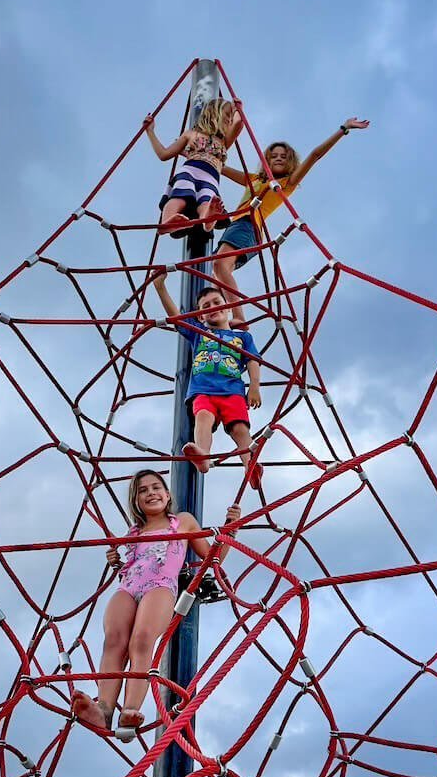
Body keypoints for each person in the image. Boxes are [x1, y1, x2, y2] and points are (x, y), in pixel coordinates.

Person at [72, 470, 240, 734]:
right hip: (129, 586)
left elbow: (211, 556)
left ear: (168, 494)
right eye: (142, 490)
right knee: (114, 640)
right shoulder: (134, 532)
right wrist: (115, 560)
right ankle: (103, 708)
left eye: (155, 487)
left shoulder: (182, 522)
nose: (150, 493)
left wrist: (232, 529)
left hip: (160, 586)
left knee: (141, 639)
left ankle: (130, 708)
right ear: (136, 502)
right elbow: (131, 563)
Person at [212, 120, 370, 298]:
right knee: (215, 277)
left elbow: (315, 155)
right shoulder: (254, 178)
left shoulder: (287, 184)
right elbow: (218, 167)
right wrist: (194, 153)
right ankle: (221, 320)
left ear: (291, 162)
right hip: (236, 226)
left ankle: (238, 317)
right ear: (267, 161)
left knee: (219, 265)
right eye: (274, 155)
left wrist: (343, 129)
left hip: (249, 226)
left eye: (284, 156)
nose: (279, 158)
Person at [151, 271, 263, 486]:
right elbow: (176, 318)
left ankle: (251, 466)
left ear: (228, 308)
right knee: (202, 417)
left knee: (240, 429)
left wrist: (255, 387)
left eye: (216, 302)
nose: (212, 308)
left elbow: (252, 361)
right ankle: (203, 455)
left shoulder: (242, 337)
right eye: (205, 307)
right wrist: (160, 287)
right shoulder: (199, 333)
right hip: (203, 392)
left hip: (232, 391)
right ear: (201, 317)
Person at [145, 98, 243, 236]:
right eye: (227, 115)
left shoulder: (224, 140)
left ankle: (207, 219)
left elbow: (239, 123)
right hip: (189, 170)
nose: (230, 120)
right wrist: (150, 131)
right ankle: (167, 222)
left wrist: (237, 108)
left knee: (208, 199)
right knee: (179, 196)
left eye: (231, 116)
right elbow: (164, 154)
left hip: (210, 177)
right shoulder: (191, 134)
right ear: (213, 113)